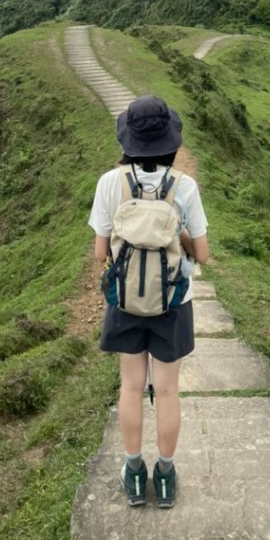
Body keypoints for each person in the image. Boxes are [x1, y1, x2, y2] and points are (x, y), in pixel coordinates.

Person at [89, 94, 210, 509]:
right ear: (172, 143)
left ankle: (134, 473)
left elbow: (99, 252)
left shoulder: (111, 183)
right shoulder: (185, 186)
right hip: (173, 301)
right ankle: (165, 474)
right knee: (169, 392)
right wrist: (174, 235)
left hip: (125, 301)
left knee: (130, 386)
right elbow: (203, 254)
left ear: (128, 142)